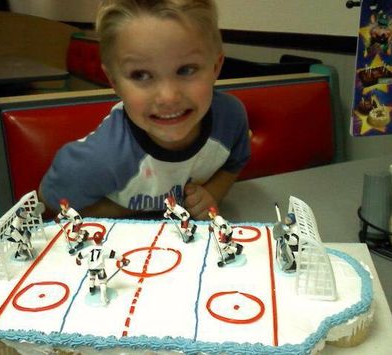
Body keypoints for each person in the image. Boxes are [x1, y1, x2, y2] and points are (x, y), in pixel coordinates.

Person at [39, 0, 250, 220]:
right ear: (114, 81)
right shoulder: (98, 160)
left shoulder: (231, 118)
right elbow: (49, 206)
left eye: (187, 70)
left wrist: (213, 193)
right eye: (141, 75)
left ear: (216, 67)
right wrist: (126, 211)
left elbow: (235, 162)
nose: (168, 97)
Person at [76, 232, 130, 305]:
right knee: (103, 282)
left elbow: (81, 254)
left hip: (91, 268)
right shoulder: (104, 249)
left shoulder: (89, 248)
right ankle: (103, 299)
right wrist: (123, 260)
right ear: (102, 240)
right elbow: (115, 255)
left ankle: (91, 288)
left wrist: (78, 259)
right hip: (100, 268)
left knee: (92, 276)